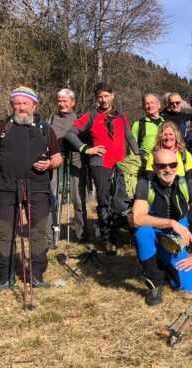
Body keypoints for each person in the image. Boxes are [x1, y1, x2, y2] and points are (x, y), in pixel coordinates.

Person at [0, 86, 63, 289]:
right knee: (5, 232)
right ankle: (6, 276)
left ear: (34, 104)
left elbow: (58, 158)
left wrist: (49, 164)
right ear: (12, 104)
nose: (21, 108)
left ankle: (36, 275)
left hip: (38, 187)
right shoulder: (1, 126)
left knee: (38, 232)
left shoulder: (45, 129)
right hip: (6, 187)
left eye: (25, 103)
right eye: (17, 103)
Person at [65, 82, 140, 253]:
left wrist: (136, 155)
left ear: (113, 95)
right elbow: (70, 134)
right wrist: (86, 149)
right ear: (96, 98)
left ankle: (123, 234)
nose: (103, 99)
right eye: (100, 96)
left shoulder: (121, 116)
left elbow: (129, 136)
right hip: (100, 165)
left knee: (123, 199)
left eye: (106, 96)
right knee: (104, 200)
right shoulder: (91, 116)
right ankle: (107, 239)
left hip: (121, 165)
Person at [132, 149, 192, 306]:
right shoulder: (145, 184)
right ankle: (154, 282)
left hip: (174, 236)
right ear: (154, 167)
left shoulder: (188, 184)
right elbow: (137, 219)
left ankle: (161, 262)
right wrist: (171, 223)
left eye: (172, 164)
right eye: (162, 166)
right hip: (155, 230)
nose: (168, 169)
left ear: (177, 165)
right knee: (142, 232)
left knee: (189, 288)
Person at [46, 88, 89, 246]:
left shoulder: (80, 119)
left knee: (77, 198)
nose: (62, 104)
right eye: (59, 101)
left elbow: (86, 139)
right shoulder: (51, 119)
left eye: (65, 101)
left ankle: (82, 235)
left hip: (76, 159)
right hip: (56, 159)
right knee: (54, 198)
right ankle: (51, 238)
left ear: (73, 103)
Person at [132, 93, 165, 159]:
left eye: (152, 102)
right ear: (144, 107)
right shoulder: (138, 124)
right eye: (146, 103)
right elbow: (131, 147)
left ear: (159, 105)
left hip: (164, 163)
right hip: (144, 163)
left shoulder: (167, 124)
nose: (149, 106)